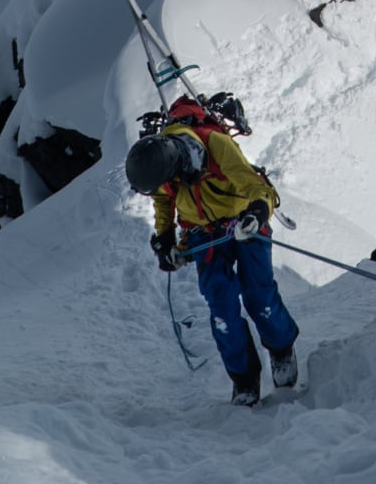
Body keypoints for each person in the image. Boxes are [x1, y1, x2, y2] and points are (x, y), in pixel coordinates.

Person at [125, 99, 300, 406]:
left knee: (259, 295)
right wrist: (165, 239)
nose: (163, 188)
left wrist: (257, 213)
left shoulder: (215, 146)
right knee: (221, 307)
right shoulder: (165, 171)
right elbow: (163, 201)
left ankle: (281, 348)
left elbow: (255, 186)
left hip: (243, 221)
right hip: (202, 233)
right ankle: (244, 379)